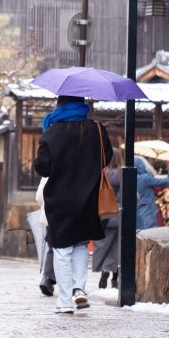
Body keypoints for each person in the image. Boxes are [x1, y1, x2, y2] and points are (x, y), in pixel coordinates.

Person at [34, 95, 112, 314]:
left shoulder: (53, 131)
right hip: (88, 198)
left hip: (60, 200)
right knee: (80, 245)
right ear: (81, 104)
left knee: (61, 250)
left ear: (61, 104)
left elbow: (43, 168)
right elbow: (107, 157)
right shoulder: (96, 129)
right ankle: (80, 290)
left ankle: (65, 301)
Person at [93, 147, 122, 289]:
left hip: (104, 215)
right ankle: (115, 279)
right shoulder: (125, 174)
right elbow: (135, 197)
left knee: (104, 246)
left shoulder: (102, 175)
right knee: (117, 248)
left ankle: (104, 270)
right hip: (120, 217)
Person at [35, 176, 56, 296]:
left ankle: (47, 279)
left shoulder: (48, 172)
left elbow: (39, 196)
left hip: (49, 214)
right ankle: (75, 284)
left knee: (52, 247)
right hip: (69, 214)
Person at [135, 156, 169, 230]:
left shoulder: (129, 177)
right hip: (147, 210)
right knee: (149, 232)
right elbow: (163, 182)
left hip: (136, 209)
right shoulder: (145, 178)